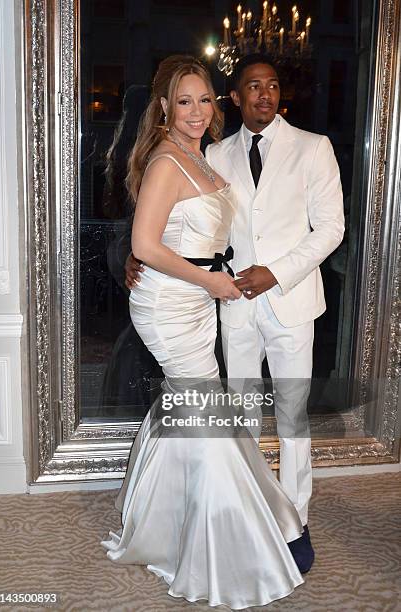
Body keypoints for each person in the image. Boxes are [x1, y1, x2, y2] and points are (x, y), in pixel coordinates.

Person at [126, 53, 345, 572]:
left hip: (290, 301)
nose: (263, 95)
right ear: (238, 97)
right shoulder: (211, 152)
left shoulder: (314, 148)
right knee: (237, 414)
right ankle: (249, 511)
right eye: (252, 86)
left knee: (291, 417)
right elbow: (174, 217)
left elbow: (331, 229)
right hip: (228, 306)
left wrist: (277, 271)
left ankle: (294, 515)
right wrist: (138, 254)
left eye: (271, 86)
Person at [102, 54, 305, 609]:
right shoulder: (168, 161)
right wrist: (207, 281)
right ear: (165, 107)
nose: (196, 110)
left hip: (195, 293)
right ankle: (226, 542)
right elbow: (146, 245)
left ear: (216, 105)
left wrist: (211, 276)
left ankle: (161, 520)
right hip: (171, 301)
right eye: (184, 101)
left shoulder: (207, 156)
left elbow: (204, 229)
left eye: (204, 99)